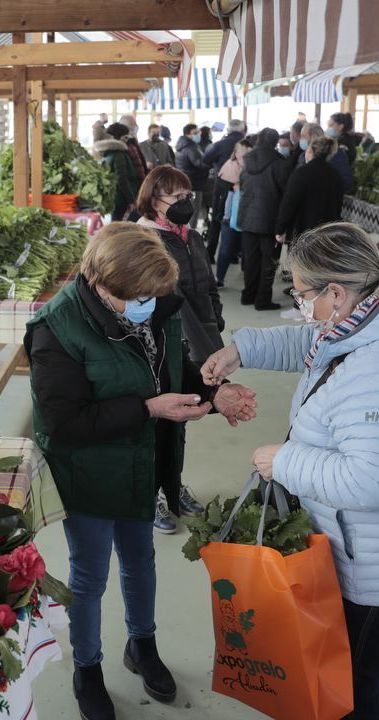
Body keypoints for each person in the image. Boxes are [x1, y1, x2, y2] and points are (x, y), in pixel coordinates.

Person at [200, 222, 379, 720]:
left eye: (302, 293)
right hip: (374, 545)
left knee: (350, 681)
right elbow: (316, 349)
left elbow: (370, 481)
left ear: (336, 292)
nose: (300, 305)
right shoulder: (368, 319)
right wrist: (242, 349)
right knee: (343, 672)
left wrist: (281, 460)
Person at [26, 223, 258, 720]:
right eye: (140, 297)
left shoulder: (153, 306)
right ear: (103, 284)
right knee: (88, 578)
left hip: (142, 463)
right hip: (88, 471)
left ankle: (142, 646)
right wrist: (149, 409)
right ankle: (87, 668)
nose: (150, 305)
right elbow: (64, 423)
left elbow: (172, 370)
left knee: (140, 560)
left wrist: (216, 393)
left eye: (156, 295)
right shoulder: (57, 327)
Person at [134, 167, 225, 533]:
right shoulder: (143, 239)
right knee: (155, 420)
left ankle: (172, 485)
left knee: (183, 419)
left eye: (188, 196)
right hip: (159, 342)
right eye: (177, 198)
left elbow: (208, 286)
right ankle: (149, 492)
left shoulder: (194, 238)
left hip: (198, 340)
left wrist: (215, 321)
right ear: (154, 200)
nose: (185, 204)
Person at [238, 128, 293, 311]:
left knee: (251, 259)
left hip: (247, 217)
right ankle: (262, 300)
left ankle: (248, 295)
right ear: (275, 142)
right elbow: (286, 193)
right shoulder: (280, 163)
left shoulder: (247, 159)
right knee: (268, 261)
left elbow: (243, 183)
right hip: (270, 218)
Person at [275, 136, 344, 246]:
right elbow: (338, 205)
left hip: (302, 232)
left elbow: (289, 203)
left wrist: (280, 229)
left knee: (300, 262)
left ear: (311, 151)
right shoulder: (336, 175)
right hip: (327, 234)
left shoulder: (301, 173)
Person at [202, 119, 246, 262]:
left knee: (216, 220)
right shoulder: (248, 144)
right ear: (242, 130)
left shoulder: (220, 144)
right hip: (241, 188)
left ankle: (210, 254)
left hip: (221, 187)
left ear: (228, 129)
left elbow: (205, 160)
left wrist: (217, 165)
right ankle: (233, 255)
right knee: (236, 221)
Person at [215, 135, 254, 286]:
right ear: (235, 153)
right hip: (228, 216)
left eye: (247, 154)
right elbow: (220, 193)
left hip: (249, 216)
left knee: (247, 249)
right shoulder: (228, 168)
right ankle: (219, 278)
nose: (244, 157)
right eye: (241, 153)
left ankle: (247, 276)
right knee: (225, 248)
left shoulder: (253, 168)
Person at [96, 123, 142, 220]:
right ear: (118, 138)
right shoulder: (119, 155)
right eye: (125, 137)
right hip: (121, 199)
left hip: (115, 198)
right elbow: (122, 179)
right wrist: (131, 199)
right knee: (120, 224)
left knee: (116, 222)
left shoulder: (108, 153)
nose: (128, 140)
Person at [175, 123, 211, 230]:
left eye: (198, 133)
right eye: (195, 133)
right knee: (193, 211)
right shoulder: (191, 147)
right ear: (187, 134)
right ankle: (190, 236)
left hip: (186, 181)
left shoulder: (181, 146)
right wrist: (210, 160)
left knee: (187, 210)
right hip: (194, 183)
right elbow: (200, 163)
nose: (198, 135)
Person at [302, 122, 354, 193]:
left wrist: (325, 191)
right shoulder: (302, 155)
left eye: (303, 136)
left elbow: (347, 181)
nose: (301, 139)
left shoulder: (335, 153)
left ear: (314, 137)